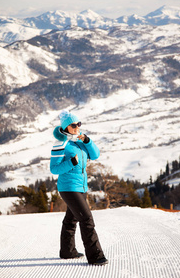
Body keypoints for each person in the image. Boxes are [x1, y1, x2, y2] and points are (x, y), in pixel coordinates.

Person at [50, 110, 108, 266]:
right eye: (73, 125)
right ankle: (96, 256)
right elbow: (54, 169)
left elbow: (95, 155)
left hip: (81, 186)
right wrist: (71, 163)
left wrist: (88, 141)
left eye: (79, 124)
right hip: (68, 187)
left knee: (71, 219)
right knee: (87, 219)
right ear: (65, 127)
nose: (77, 127)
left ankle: (67, 252)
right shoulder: (61, 144)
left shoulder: (81, 141)